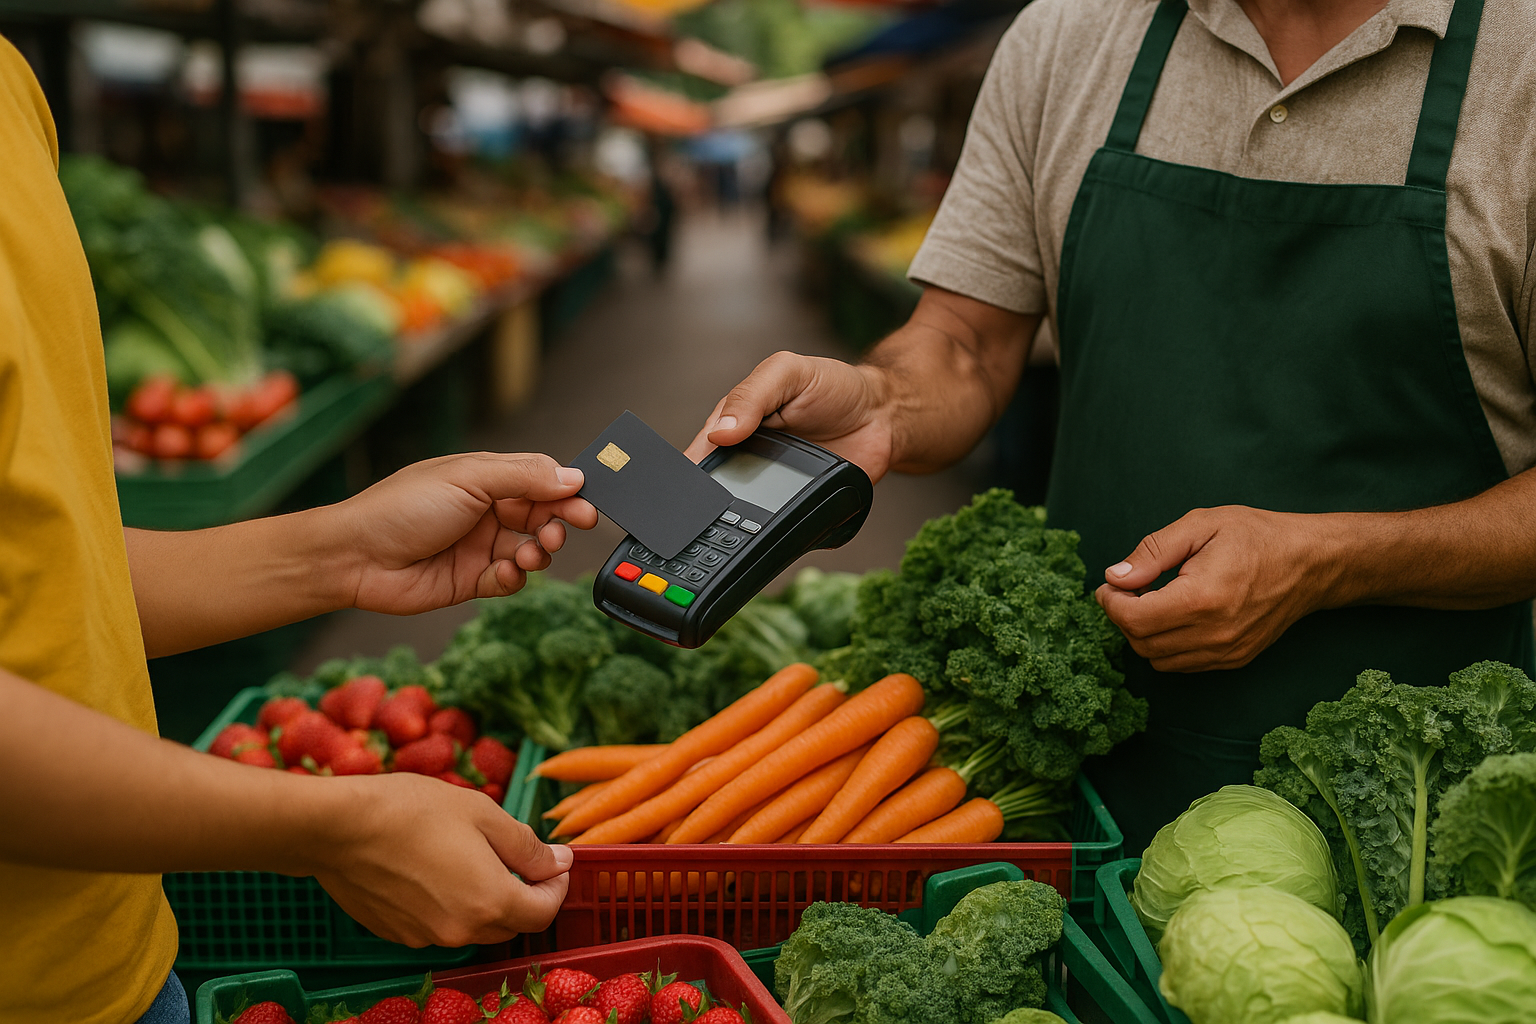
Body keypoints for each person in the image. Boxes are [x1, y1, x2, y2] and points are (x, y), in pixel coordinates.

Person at [686, 0, 1536, 849]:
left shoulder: (1519, 62)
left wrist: (1329, 562)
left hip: (1426, 809)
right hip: (1082, 773)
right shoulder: (1068, 38)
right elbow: (966, 344)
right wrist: (883, 401)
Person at [0, 41, 596, 1024]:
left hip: (121, 962)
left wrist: (343, 550)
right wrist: (333, 825)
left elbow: (49, 578)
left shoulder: (17, 87)